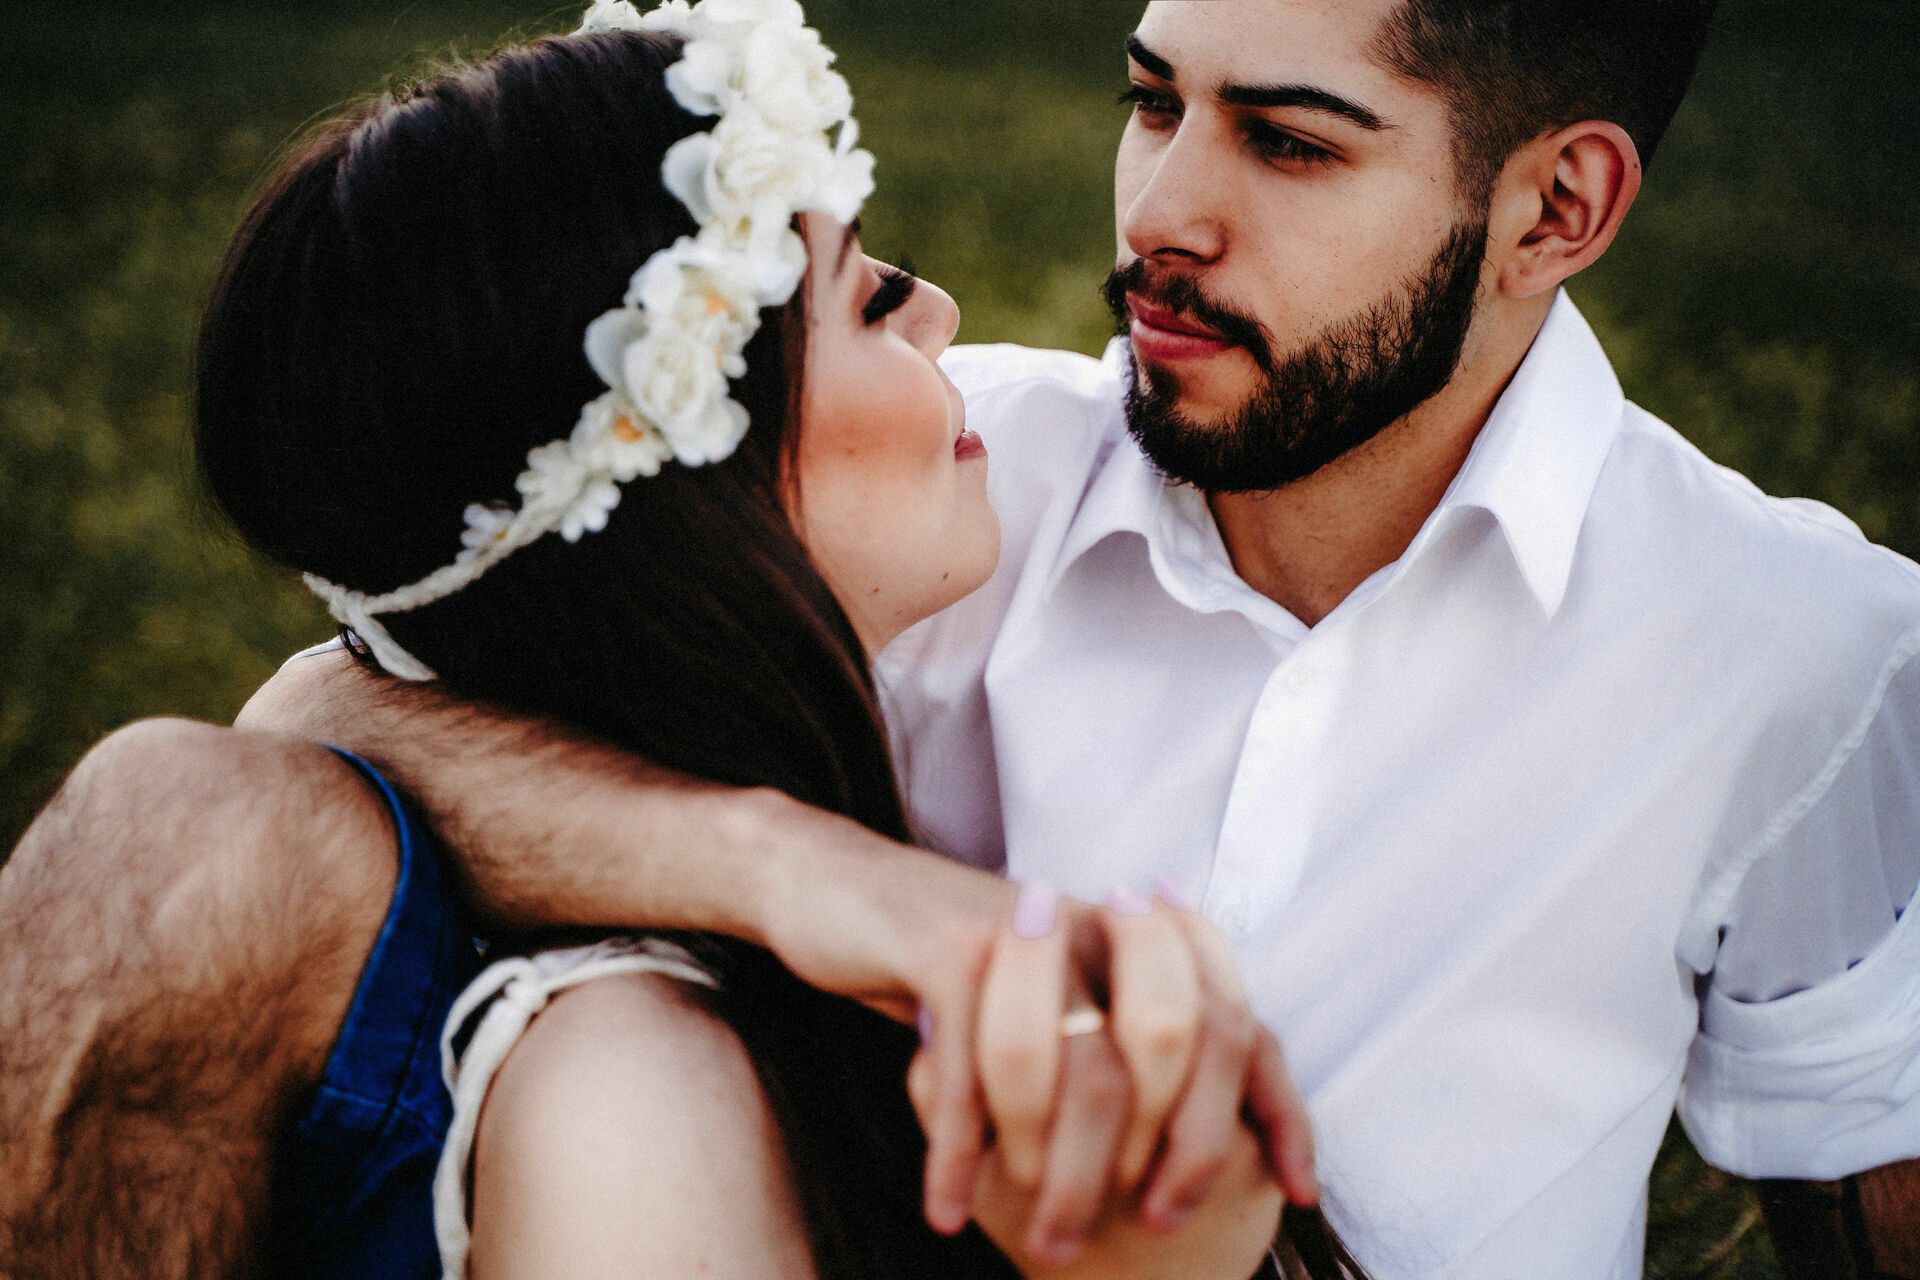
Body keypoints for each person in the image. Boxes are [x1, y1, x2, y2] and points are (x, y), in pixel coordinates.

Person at [5, 0, 1919, 1276]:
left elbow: (1861, 1197)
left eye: (1294, 144)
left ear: (1557, 205)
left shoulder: (1800, 650)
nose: (1162, 211)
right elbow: (318, 723)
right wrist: (815, 877)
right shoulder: (962, 488)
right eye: (1151, 99)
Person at [4, 4, 1330, 1279]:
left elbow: (313, 707)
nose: (940, 317)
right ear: (695, 496)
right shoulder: (636, 1092)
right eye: (866, 299)